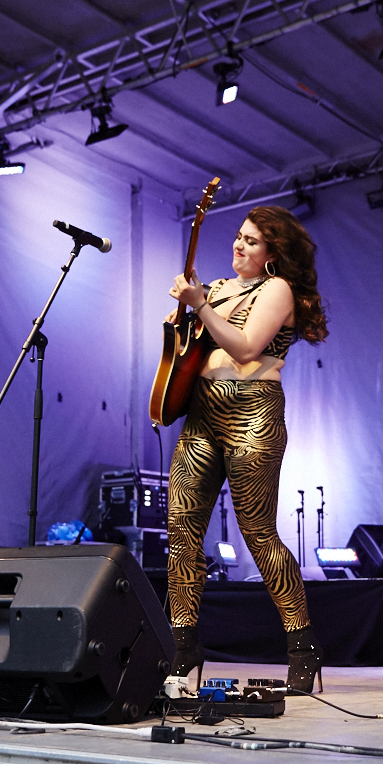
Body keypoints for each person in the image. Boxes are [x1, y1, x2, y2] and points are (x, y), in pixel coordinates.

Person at [164, 205, 328, 693]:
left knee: (257, 533)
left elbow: (245, 348)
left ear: (274, 252)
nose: (239, 245)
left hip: (252, 409)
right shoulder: (216, 288)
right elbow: (188, 347)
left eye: (253, 241)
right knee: (181, 532)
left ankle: (303, 648)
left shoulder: (277, 289)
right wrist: (183, 313)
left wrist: (201, 306)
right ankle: (185, 648)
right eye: (238, 236)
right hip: (203, 410)